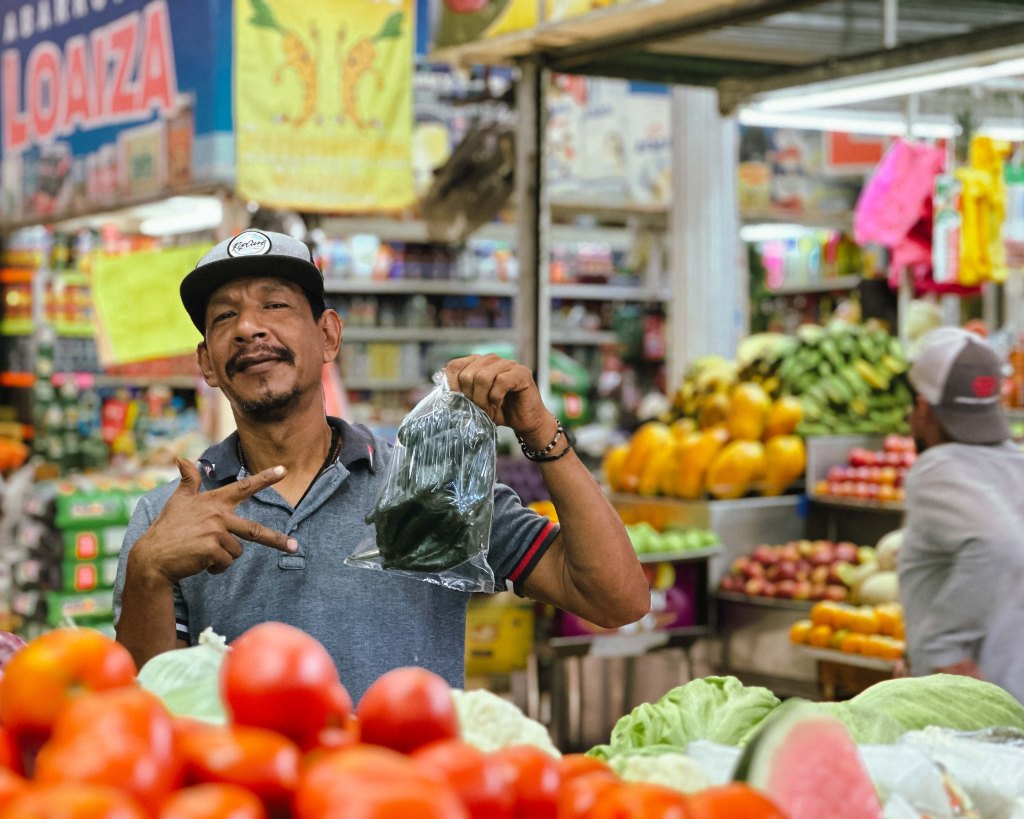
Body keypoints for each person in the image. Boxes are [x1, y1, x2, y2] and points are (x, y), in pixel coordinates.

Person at [112, 228, 650, 700]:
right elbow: (148, 704)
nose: (249, 328)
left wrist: (541, 434)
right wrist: (148, 572)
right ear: (207, 362)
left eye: (274, 305)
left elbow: (616, 600)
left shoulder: (429, 486)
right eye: (225, 316)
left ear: (328, 335)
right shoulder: (169, 517)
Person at [899, 326, 1024, 701]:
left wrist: (942, 649)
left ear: (924, 408)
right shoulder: (1015, 463)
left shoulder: (937, 468)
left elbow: (998, 545)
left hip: (971, 703)